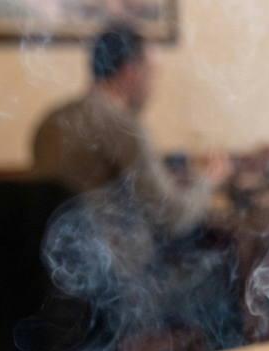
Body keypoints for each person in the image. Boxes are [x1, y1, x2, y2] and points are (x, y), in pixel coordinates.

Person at [32, 24, 228, 233]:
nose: (155, 84)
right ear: (130, 73)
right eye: (152, 72)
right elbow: (172, 216)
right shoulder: (123, 127)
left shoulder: (51, 120)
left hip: (55, 254)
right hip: (113, 259)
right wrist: (207, 180)